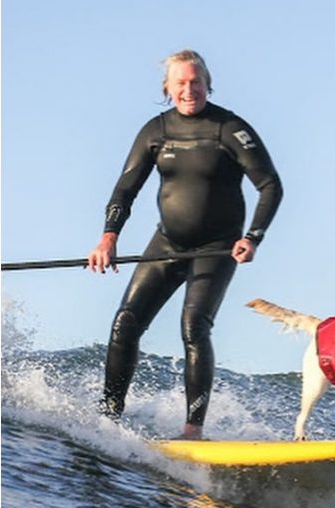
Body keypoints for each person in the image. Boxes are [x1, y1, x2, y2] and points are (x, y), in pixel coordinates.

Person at [88, 50, 283, 439]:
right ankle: (108, 418)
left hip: (217, 247)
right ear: (168, 88)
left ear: (208, 84)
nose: (189, 89)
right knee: (125, 323)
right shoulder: (155, 130)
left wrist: (253, 237)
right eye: (180, 83)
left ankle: (192, 430)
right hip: (167, 243)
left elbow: (270, 185)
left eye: (196, 82)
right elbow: (126, 188)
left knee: (193, 326)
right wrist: (108, 238)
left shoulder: (229, 128)